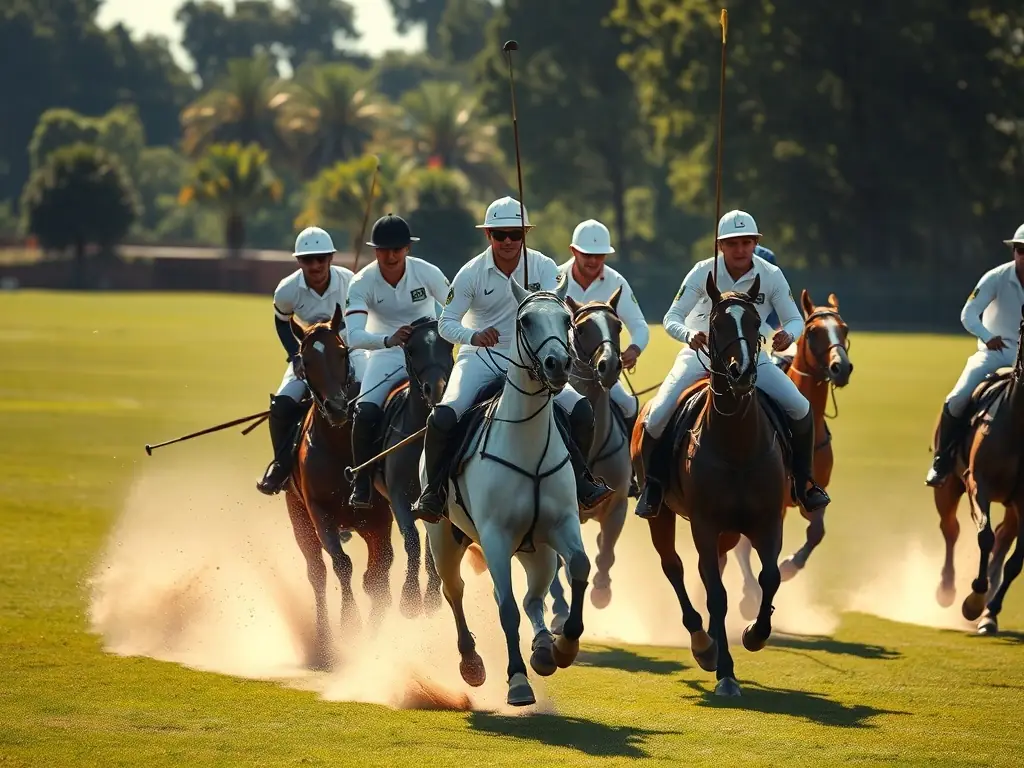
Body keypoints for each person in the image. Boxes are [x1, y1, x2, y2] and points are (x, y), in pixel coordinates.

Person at [411, 196, 614, 522]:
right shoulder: (471, 272)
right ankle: (433, 493)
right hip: (479, 358)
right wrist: (473, 336)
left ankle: (580, 482)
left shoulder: (545, 268)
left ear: (525, 235)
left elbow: (558, 314)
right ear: (488, 235)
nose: (508, 241)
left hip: (531, 362)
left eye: (515, 234)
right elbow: (445, 322)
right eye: (500, 234)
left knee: (580, 411)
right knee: (444, 417)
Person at [632, 209, 831, 519]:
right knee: (656, 415)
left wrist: (787, 335)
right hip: (700, 357)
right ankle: (653, 486)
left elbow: (795, 319)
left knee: (800, 407)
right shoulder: (702, 271)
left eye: (747, 242)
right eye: (733, 243)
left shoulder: (771, 274)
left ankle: (804, 483)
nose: (741, 250)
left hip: (753, 359)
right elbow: (671, 317)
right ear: (720, 245)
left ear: (755, 243)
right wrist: (689, 334)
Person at [344, 213, 451, 510]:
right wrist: (389, 339)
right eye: (383, 250)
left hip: (428, 354)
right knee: (364, 411)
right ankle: (363, 482)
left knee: (461, 402)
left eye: (397, 249)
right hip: (387, 355)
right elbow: (353, 336)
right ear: (374, 250)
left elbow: (457, 310)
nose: (390, 256)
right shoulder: (362, 282)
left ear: (408, 249)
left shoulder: (427, 273)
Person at [257, 226, 367, 495]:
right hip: (310, 353)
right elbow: (282, 322)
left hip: (347, 346)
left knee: (366, 395)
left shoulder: (350, 282)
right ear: (299, 262)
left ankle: (374, 460)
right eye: (308, 260)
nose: (316, 265)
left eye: (321, 258)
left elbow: (362, 317)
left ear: (331, 258)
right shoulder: (287, 290)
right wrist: (295, 356)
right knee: (281, 405)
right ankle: (281, 466)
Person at [924, 222, 1024, 486]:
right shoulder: (997, 277)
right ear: (1014, 251)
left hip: (1023, 359)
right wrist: (987, 336)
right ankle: (942, 460)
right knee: (957, 397)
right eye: (1021, 250)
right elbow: (968, 313)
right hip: (995, 354)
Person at [558, 218, 650, 493]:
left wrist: (634, 349)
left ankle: (632, 474)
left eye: (599, 255)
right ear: (574, 251)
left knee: (630, 405)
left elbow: (639, 326)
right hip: (563, 372)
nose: (593, 261)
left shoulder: (616, 281)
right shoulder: (554, 278)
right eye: (587, 255)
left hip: (602, 370)